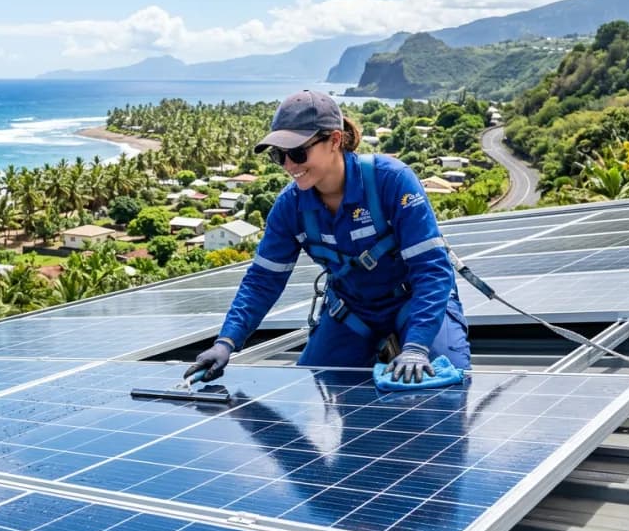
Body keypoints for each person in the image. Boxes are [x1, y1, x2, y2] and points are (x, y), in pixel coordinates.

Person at [184, 90, 470, 384]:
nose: (288, 165)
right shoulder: (290, 207)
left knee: (445, 383)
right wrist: (226, 341)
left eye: (297, 152)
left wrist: (416, 346)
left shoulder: (391, 182)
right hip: (353, 311)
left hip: (416, 300)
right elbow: (262, 281)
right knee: (313, 384)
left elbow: (432, 270)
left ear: (334, 140)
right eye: (278, 155)